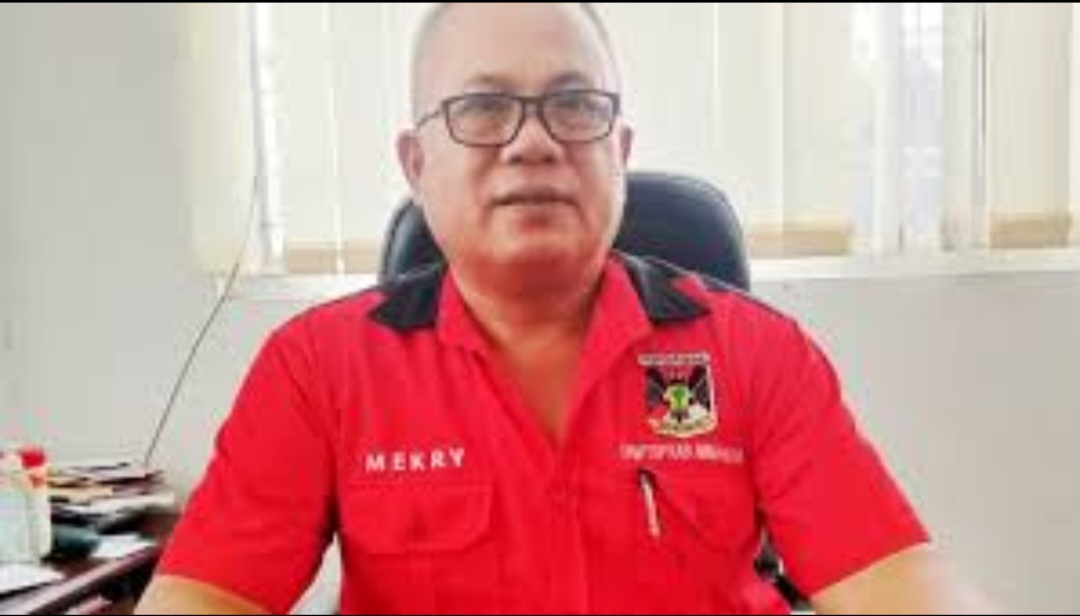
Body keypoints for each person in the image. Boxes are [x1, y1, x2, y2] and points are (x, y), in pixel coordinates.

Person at [138, 3, 992, 614]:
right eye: (482, 107)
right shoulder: (320, 367)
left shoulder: (753, 353)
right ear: (416, 164)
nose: (533, 141)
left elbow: (894, 579)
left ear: (619, 151)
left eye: (575, 105)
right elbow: (208, 593)